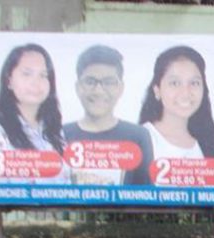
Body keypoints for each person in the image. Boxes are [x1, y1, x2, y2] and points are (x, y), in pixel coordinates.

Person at [63, 45, 153, 185]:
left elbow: (146, 197)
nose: (98, 91)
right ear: (78, 87)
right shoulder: (59, 134)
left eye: (109, 82)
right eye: (90, 81)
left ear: (120, 88)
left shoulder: (138, 136)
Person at [0, 44, 70, 183]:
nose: (36, 83)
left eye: (43, 75)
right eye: (27, 74)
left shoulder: (55, 131)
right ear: (9, 81)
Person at [138, 45, 214, 161]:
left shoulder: (206, 144)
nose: (185, 93)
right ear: (157, 90)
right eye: (175, 83)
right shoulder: (141, 140)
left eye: (194, 83)